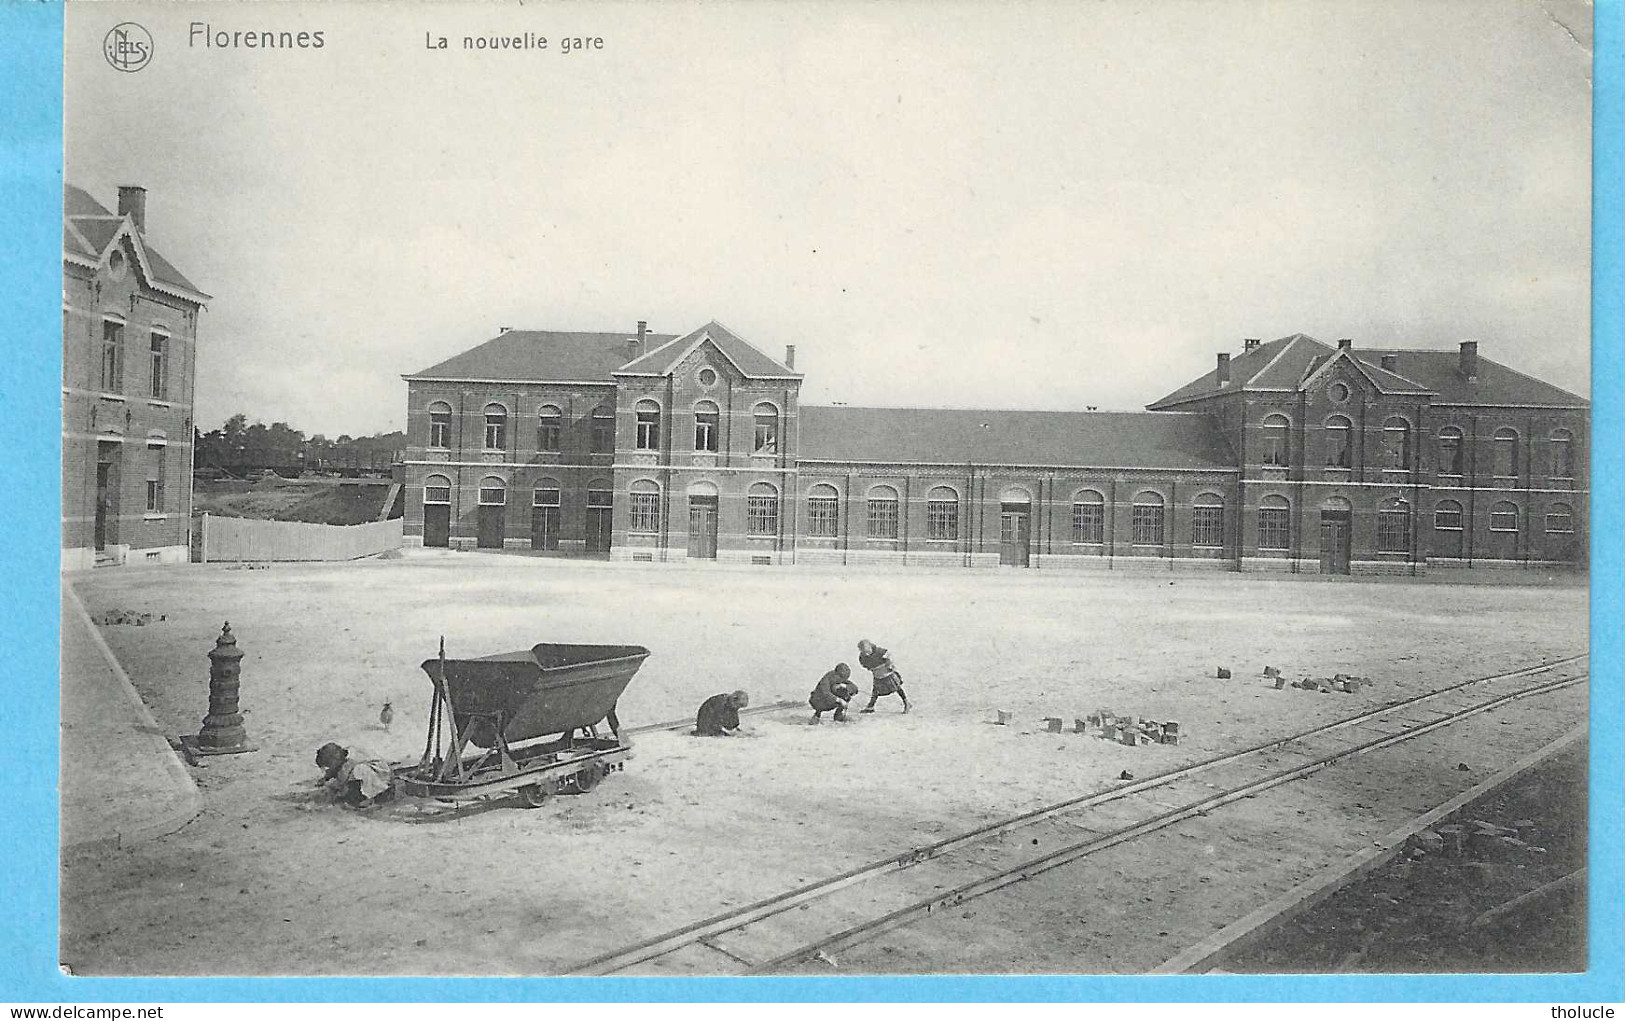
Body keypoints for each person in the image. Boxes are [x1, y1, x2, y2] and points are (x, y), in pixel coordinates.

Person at [315, 742, 394, 806]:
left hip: (379, 774)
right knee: (355, 774)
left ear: (334, 760)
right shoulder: (342, 757)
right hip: (366, 771)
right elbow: (336, 770)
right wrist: (326, 777)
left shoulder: (350, 761)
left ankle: (370, 798)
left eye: (328, 765)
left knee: (358, 773)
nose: (328, 768)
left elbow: (342, 781)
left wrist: (335, 789)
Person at [857, 638, 911, 713]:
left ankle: (906, 703)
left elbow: (889, 656)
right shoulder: (862, 657)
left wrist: (889, 664)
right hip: (877, 675)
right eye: (863, 651)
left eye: (867, 651)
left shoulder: (879, 651)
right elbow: (864, 664)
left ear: (870, 646)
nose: (866, 653)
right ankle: (871, 706)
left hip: (887, 673)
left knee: (897, 687)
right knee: (875, 691)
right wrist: (871, 668)